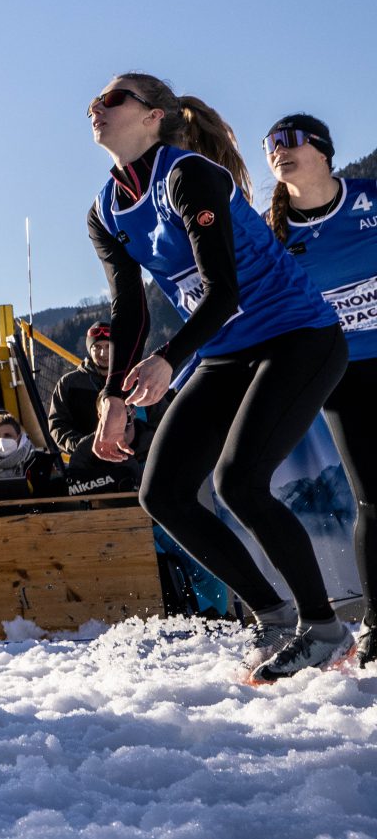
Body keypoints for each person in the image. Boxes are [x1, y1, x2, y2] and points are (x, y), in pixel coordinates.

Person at [86, 74, 347, 681]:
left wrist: (170, 359)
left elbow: (223, 293)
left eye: (112, 98)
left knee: (239, 481)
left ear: (153, 117)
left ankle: (323, 626)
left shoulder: (189, 175)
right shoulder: (105, 210)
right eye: (93, 101)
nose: (95, 108)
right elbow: (131, 312)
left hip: (298, 338)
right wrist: (113, 396)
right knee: (164, 493)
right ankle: (275, 616)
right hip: (228, 353)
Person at [263, 112, 377, 664]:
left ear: (325, 150)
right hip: (342, 372)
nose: (278, 151)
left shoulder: (369, 201)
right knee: (372, 498)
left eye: (290, 140)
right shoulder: (272, 234)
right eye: (270, 146)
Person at [49, 324, 144, 494]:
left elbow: (159, 419)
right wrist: (83, 445)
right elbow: (57, 425)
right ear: (89, 349)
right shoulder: (70, 383)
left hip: (135, 463)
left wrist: (139, 443)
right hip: (88, 467)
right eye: (97, 347)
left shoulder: (134, 380)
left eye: (108, 346)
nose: (103, 353)